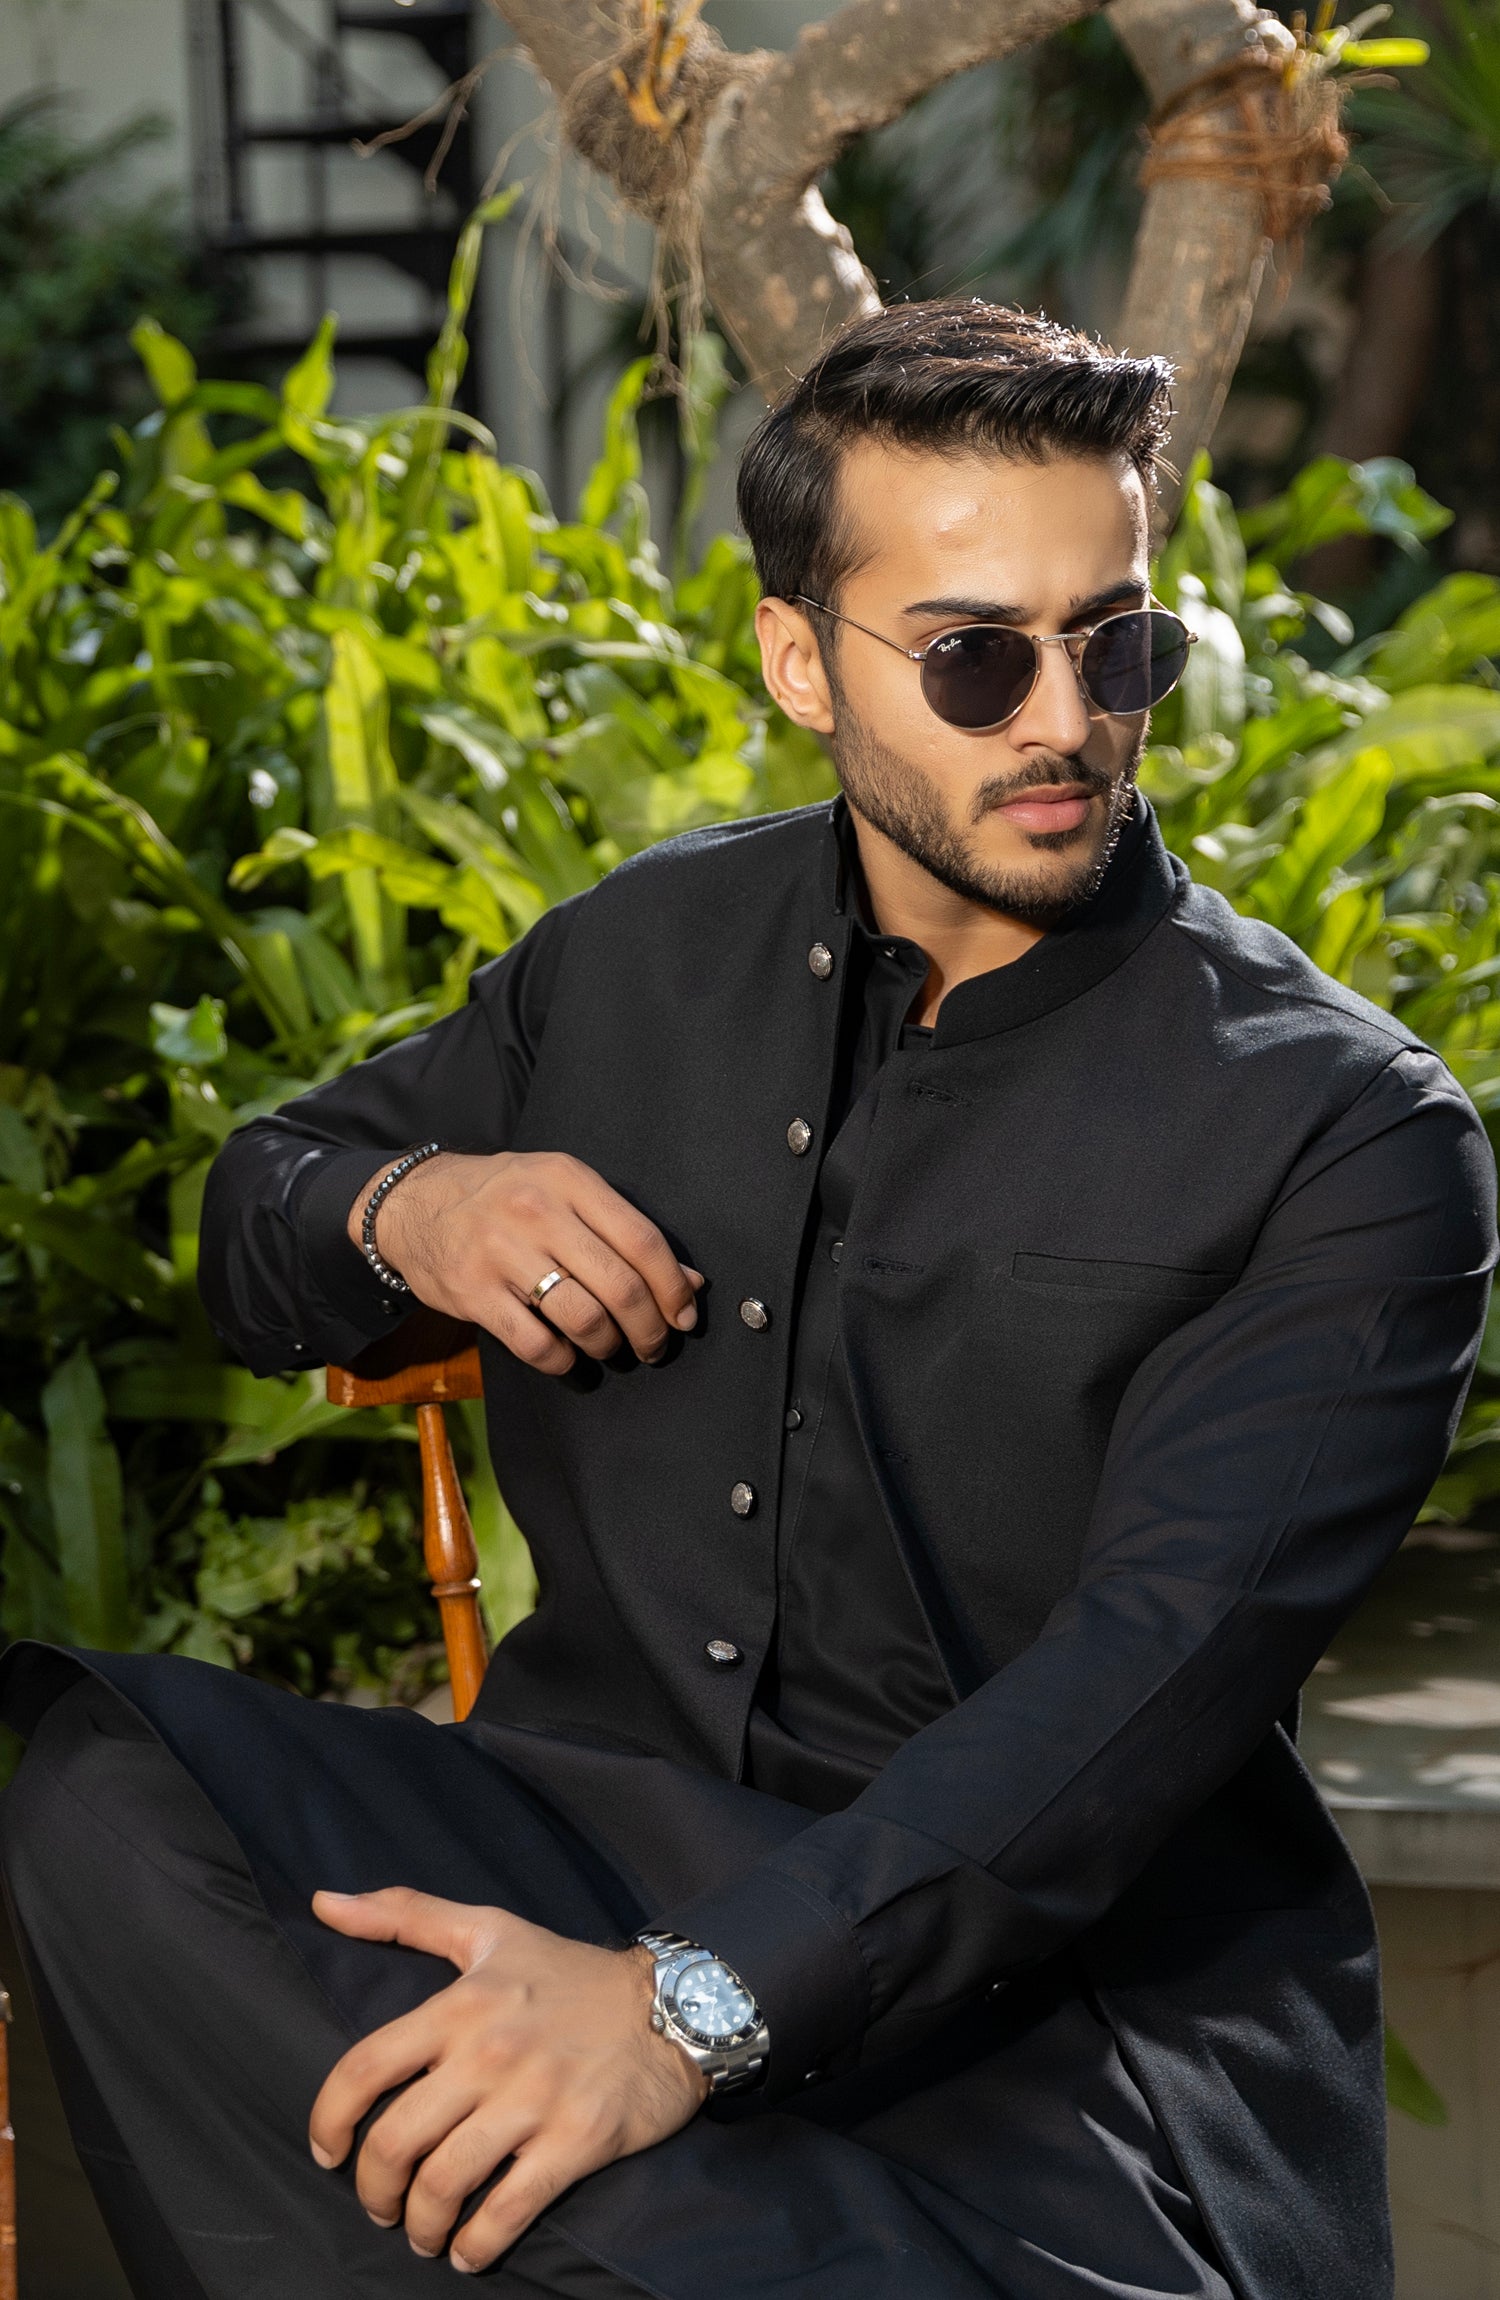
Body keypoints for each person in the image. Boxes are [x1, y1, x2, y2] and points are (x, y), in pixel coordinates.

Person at [2, 299, 1493, 2300]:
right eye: (975, 656)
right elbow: (257, 1222)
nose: (1064, 721)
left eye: (1117, 643)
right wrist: (415, 1208)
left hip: (1049, 2000)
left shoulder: (1346, 1133)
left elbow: (1134, 1695)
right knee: (103, 1791)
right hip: (577, 1829)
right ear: (804, 661)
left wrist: (675, 2014)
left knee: (581, 2175)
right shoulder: (641, 958)